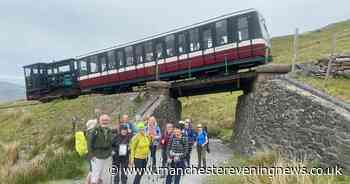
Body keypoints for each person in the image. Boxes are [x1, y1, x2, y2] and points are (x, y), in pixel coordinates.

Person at [87, 114, 113, 184]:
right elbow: (89, 143)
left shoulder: (110, 130)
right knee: (95, 177)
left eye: (106, 120)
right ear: (99, 121)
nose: (105, 122)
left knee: (103, 176)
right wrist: (91, 155)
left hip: (107, 156)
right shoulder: (94, 131)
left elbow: (111, 143)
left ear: (109, 121)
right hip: (96, 156)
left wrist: (111, 152)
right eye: (103, 120)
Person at [84, 119, 98, 184]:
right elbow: (90, 145)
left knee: (91, 170)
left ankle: (87, 182)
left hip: (90, 154)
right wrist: (92, 155)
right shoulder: (91, 132)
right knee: (92, 170)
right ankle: (87, 182)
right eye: (95, 124)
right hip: (92, 154)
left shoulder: (88, 132)